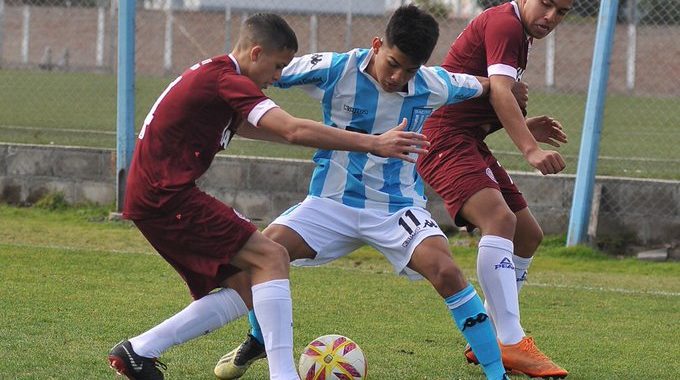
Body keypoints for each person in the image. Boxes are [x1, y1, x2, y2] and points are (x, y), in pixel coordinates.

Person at [106, 13, 430, 380]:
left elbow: (252, 127)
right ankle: (283, 375)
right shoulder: (229, 79)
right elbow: (291, 129)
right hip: (167, 198)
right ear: (256, 53)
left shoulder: (215, 75)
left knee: (248, 285)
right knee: (272, 255)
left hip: (157, 197)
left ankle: (138, 351)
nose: (278, 77)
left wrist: (322, 140)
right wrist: (374, 143)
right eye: (277, 67)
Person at [213, 5, 527, 380]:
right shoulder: (334, 68)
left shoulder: (433, 84)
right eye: (392, 63)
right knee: (265, 250)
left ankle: (496, 373)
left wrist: (517, 109)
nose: (397, 77)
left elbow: (487, 85)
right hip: (330, 203)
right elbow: (262, 70)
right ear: (377, 45)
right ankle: (257, 337)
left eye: (409, 70)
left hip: (396, 209)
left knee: (445, 269)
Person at [416, 0, 573, 378]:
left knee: (527, 235)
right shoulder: (506, 24)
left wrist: (520, 122)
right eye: (547, 4)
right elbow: (501, 91)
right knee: (499, 219)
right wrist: (530, 149)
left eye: (563, 11)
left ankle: (485, 336)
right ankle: (511, 340)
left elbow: (483, 96)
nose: (551, 17)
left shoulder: (519, 30)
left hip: (468, 138)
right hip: (443, 139)